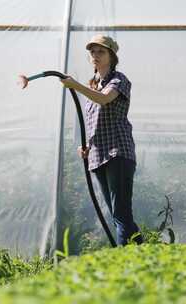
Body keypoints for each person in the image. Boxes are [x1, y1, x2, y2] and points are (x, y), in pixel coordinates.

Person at [60, 34, 143, 246]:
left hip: (118, 153)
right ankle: (145, 256)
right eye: (92, 52)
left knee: (121, 214)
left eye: (101, 51)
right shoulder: (93, 85)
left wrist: (75, 86)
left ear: (112, 56)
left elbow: (105, 99)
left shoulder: (119, 80)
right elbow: (94, 121)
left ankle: (125, 264)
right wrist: (87, 147)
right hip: (98, 156)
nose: (95, 55)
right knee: (118, 215)